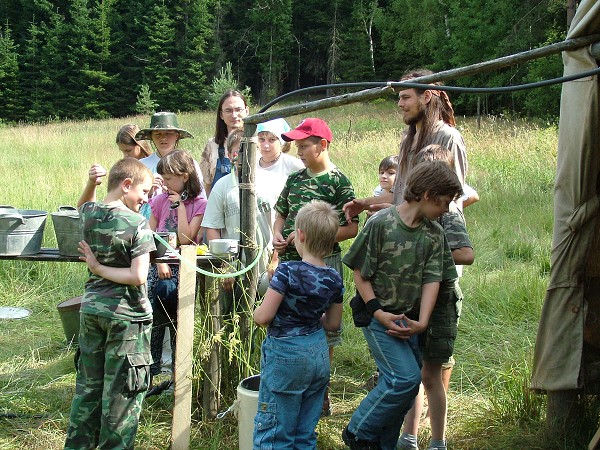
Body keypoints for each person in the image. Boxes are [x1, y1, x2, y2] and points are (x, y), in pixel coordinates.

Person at [341, 161, 462, 450]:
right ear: (428, 195)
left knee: (405, 392)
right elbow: (360, 270)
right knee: (405, 379)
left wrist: (422, 321)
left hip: (410, 324)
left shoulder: (434, 234)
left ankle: (384, 444)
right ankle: (357, 432)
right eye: (444, 203)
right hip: (378, 319)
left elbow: (433, 278)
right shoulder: (381, 223)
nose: (446, 210)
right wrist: (377, 312)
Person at [65, 158, 155, 450]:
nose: (145, 199)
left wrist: (92, 183)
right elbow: (138, 275)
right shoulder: (136, 223)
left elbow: (82, 205)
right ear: (126, 184)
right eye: (143, 192)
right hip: (126, 318)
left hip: (91, 310)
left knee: (88, 388)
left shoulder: (90, 213)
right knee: (121, 397)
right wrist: (101, 269)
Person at [273, 117, 359, 416]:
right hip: (289, 263)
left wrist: (312, 240)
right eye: (296, 146)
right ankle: (290, 382)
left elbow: (351, 229)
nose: (298, 152)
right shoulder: (296, 178)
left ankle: (320, 393)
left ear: (322, 145)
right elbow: (281, 214)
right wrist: (277, 235)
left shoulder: (338, 181)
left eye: (304, 146)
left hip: (324, 264)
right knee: (287, 321)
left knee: (325, 330)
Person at [397, 146, 474, 450]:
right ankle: (409, 437)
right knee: (411, 374)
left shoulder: (448, 212)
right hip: (410, 300)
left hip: (441, 301)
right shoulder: (407, 211)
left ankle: (438, 441)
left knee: (431, 374)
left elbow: (466, 254)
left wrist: (426, 256)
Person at [253, 200, 343, 449]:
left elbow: (263, 317)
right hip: (317, 354)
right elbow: (333, 324)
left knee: (275, 431)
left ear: (299, 235)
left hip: (286, 355)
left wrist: (255, 310)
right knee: (305, 431)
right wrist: (310, 316)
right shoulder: (334, 277)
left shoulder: (287, 271)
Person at [343, 68, 467, 219]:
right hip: (406, 232)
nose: (400, 104)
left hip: (433, 235)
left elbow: (451, 200)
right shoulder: (407, 139)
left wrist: (400, 212)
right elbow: (400, 194)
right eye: (400, 98)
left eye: (406, 97)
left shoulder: (448, 137)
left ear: (426, 96)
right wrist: (364, 203)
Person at [145, 150, 207, 396]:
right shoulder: (158, 201)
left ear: (184, 176)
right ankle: (149, 374)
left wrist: (180, 206)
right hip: (157, 267)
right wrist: (158, 261)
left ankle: (178, 378)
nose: (165, 183)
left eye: (169, 179)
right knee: (153, 321)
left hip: (183, 269)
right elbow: (149, 236)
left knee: (179, 321)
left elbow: (185, 238)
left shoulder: (199, 204)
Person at [200, 90, 249, 196]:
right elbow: (207, 185)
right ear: (221, 115)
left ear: (247, 111)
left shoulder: (256, 142)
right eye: (228, 110)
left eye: (238, 109)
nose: (234, 115)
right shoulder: (212, 145)